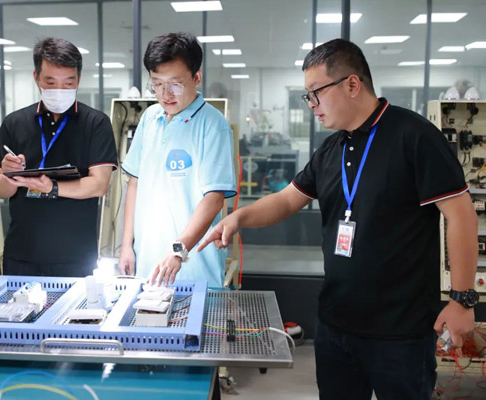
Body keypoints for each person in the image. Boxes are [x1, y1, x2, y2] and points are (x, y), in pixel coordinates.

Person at [199, 38, 477, 400]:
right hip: (337, 325)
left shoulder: (414, 137)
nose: (311, 105)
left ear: (352, 84)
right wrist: (238, 218)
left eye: (316, 93)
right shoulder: (332, 148)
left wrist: (462, 300)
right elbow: (288, 199)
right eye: (307, 96)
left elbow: (461, 215)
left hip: (400, 332)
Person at [0, 37, 117, 277]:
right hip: (21, 253)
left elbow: (99, 185)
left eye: (68, 83)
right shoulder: (14, 123)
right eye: (51, 82)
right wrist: (7, 175)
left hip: (75, 256)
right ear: (36, 78)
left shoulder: (95, 123)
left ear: (78, 79)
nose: (60, 91)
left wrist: (52, 187)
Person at [118, 32, 236, 288]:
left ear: (196, 77)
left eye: (175, 85)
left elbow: (213, 199)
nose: (165, 94)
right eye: (157, 84)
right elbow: (134, 184)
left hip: (194, 269)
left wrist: (178, 251)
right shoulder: (149, 119)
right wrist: (127, 246)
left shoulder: (213, 125)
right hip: (149, 264)